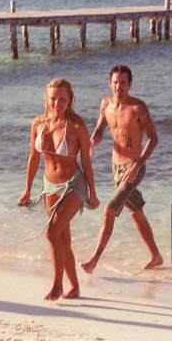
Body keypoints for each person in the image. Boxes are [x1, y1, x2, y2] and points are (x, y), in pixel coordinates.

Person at [18, 78, 99, 301]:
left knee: (52, 232)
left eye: (62, 99)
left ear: (70, 99)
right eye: (53, 98)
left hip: (74, 184)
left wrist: (93, 193)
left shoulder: (76, 126)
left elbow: (86, 162)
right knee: (62, 239)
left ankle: (57, 285)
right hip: (49, 185)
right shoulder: (38, 124)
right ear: (47, 99)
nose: (57, 103)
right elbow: (33, 158)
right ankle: (75, 287)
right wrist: (27, 190)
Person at [81, 65, 163, 273]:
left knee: (109, 210)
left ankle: (93, 261)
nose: (119, 87)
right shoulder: (105, 105)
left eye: (123, 83)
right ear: (110, 83)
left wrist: (137, 165)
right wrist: (94, 140)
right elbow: (100, 128)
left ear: (130, 84)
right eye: (116, 82)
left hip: (134, 167)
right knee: (136, 212)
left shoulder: (138, 108)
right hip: (116, 167)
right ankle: (156, 255)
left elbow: (154, 139)